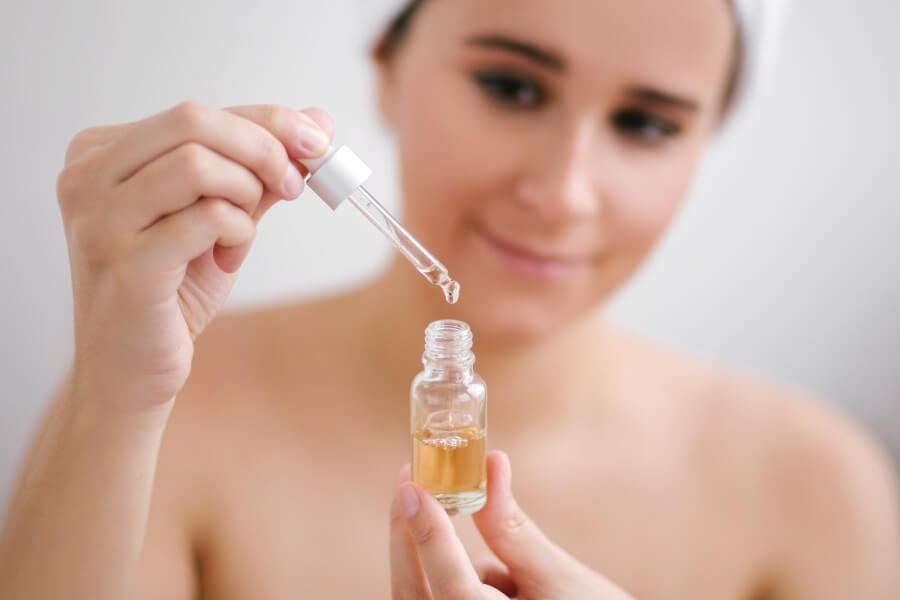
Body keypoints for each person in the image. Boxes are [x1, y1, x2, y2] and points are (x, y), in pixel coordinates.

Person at [1, 0, 898, 598]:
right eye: (511, 86)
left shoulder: (820, 488)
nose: (564, 192)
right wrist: (114, 397)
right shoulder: (159, 409)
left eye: (647, 123)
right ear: (386, 69)